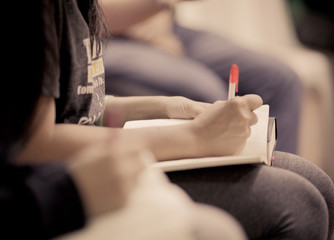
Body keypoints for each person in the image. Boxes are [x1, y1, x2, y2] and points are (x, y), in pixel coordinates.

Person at [2, 0, 334, 239]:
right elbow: (35, 141)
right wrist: (195, 138)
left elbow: (81, 106)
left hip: (95, 153)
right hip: (69, 175)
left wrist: (167, 107)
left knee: (317, 182)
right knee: (298, 203)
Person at [102, 0, 303, 154]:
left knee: (280, 79)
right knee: (207, 93)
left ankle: (274, 175)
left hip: (164, 23)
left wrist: (160, 17)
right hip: (102, 37)